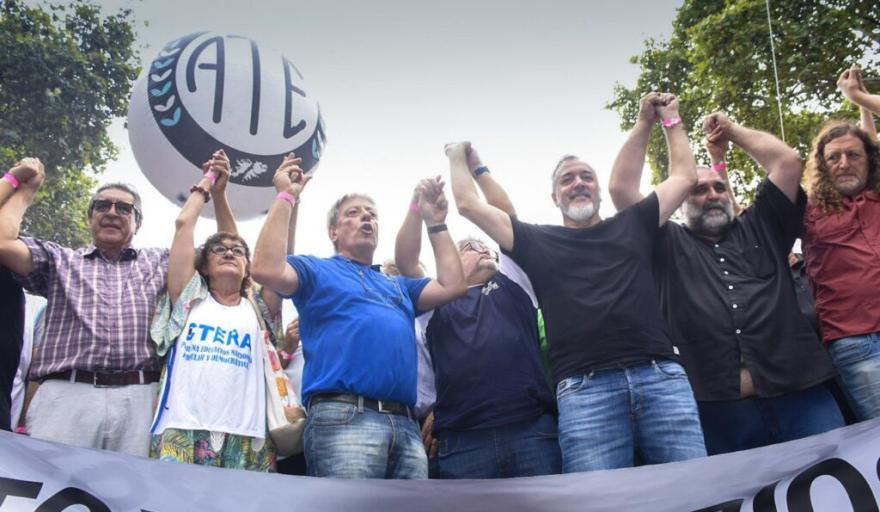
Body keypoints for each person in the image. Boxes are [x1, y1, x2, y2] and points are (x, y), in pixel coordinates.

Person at [448, 92, 705, 473]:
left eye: (587, 177)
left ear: (600, 191)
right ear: (554, 196)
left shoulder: (634, 222)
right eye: (567, 180)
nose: (579, 183)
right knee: (596, 502)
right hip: (586, 393)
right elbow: (469, 205)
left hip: (660, 379)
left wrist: (667, 119)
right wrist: (458, 157)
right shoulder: (536, 241)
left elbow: (684, 177)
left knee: (694, 491)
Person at [609, 107, 843, 455]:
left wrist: (731, 129)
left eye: (719, 187)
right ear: (681, 201)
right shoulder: (665, 242)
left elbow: (788, 162)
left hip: (802, 398)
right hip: (718, 413)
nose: (713, 194)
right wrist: (645, 122)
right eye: (699, 190)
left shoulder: (762, 225)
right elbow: (621, 188)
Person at [251, 155, 466, 479]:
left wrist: (435, 222)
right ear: (333, 231)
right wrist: (286, 196)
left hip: (406, 427)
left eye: (372, 215)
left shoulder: (397, 286)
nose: (366, 218)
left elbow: (453, 285)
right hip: (343, 418)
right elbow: (265, 268)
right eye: (354, 213)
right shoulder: (316, 270)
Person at [0, 157, 168, 456]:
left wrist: (213, 193)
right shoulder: (59, 260)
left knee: (136, 497)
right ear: (90, 218)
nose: (112, 213)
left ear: (137, 222)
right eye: (102, 206)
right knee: (52, 493)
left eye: (124, 208)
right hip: (66, 398)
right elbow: (2, 243)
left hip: (141, 399)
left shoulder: (161, 262)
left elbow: (222, 259)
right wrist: (22, 189)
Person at [149, 150, 295, 471]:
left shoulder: (258, 308)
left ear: (248, 268)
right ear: (203, 266)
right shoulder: (188, 299)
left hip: (249, 437)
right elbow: (183, 223)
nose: (229, 252)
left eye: (237, 252)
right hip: (182, 430)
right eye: (218, 250)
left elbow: (270, 254)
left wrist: (286, 196)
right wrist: (210, 182)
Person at [803, 73, 880, 419]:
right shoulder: (805, 209)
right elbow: (742, 220)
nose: (844, 163)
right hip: (857, 344)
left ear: (870, 159)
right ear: (822, 166)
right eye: (834, 157)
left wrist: (860, 99)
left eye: (854, 154)